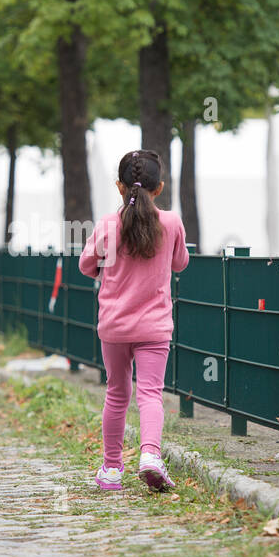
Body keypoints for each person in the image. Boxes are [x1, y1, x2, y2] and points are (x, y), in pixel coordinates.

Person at [78, 150, 189, 493]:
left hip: (114, 325)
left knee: (116, 393)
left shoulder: (108, 225)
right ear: (159, 188)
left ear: (119, 186)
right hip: (154, 326)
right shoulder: (170, 223)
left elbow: (86, 265)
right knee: (150, 393)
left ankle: (112, 469)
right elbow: (180, 263)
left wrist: (107, 269)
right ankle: (150, 456)